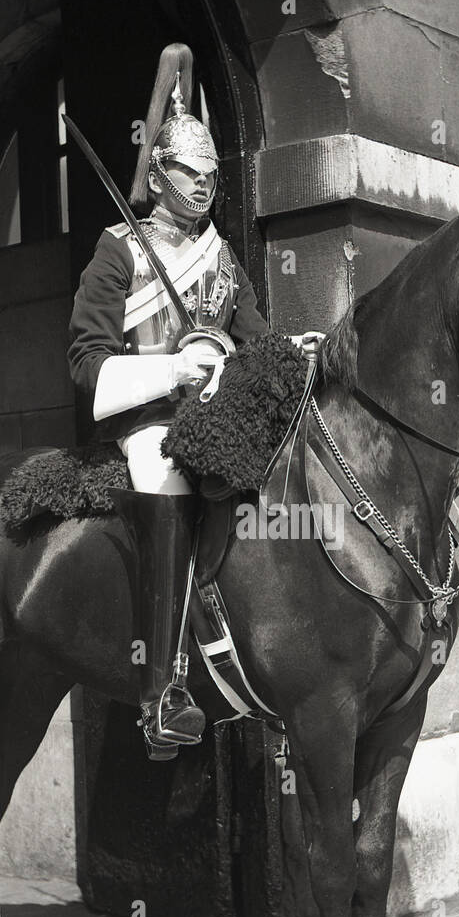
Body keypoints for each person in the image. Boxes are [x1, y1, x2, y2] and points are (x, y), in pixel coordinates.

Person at [68, 43, 270, 759]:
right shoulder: (117, 250)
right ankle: (164, 690)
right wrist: (172, 371)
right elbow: (87, 366)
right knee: (167, 474)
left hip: (219, 421)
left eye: (213, 174)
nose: (205, 184)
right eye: (191, 171)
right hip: (149, 425)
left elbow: (256, 339)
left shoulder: (222, 258)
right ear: (158, 173)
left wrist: (292, 354)